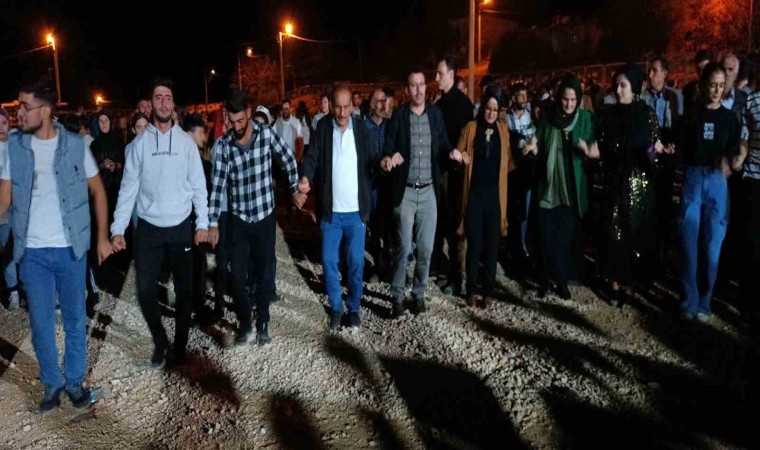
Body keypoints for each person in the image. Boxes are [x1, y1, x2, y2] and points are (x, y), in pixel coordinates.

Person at [0, 78, 113, 413]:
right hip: (32, 254)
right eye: (17, 106)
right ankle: (52, 383)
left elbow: (98, 191)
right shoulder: (13, 148)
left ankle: (75, 382)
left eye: (24, 106)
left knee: (76, 320)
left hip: (70, 251)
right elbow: (4, 199)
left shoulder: (75, 145)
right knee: (41, 324)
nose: (18, 113)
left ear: (46, 110)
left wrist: (102, 237)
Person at [110, 77, 209, 369]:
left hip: (180, 227)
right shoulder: (139, 145)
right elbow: (128, 189)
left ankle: (179, 347)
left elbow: (198, 186)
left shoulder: (186, 144)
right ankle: (160, 341)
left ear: (173, 103)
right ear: (151, 103)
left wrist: (202, 223)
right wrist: (118, 228)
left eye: (167, 97)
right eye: (158, 97)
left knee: (184, 293)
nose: (163, 103)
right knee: (144, 291)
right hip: (149, 230)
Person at [208, 89, 300, 346]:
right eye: (232, 121)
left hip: (264, 217)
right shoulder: (224, 146)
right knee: (238, 275)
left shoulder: (266, 134)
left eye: (241, 120)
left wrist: (294, 188)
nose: (237, 127)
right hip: (238, 219)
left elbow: (289, 159)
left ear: (249, 113)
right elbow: (217, 186)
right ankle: (245, 323)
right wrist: (212, 222)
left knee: (263, 273)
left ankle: (263, 323)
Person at [298, 86, 384, 330]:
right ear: (331, 105)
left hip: (356, 212)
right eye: (338, 107)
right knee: (328, 261)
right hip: (331, 212)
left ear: (353, 106)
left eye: (347, 107)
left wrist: (383, 163)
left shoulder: (361, 129)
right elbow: (312, 158)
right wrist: (306, 177)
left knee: (356, 262)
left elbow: (374, 157)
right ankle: (336, 307)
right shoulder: (324, 128)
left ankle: (354, 308)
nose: (342, 112)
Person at [597, 64, 668, 305]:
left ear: (635, 88)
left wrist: (656, 152)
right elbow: (603, 148)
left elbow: (654, 150)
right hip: (616, 182)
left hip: (640, 185)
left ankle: (631, 280)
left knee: (635, 232)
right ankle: (614, 282)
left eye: (623, 85)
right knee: (613, 231)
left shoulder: (646, 114)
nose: (618, 90)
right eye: (616, 85)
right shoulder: (609, 115)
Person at [383, 68, 451, 318]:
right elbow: (388, 147)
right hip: (406, 192)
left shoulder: (435, 115)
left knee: (426, 249)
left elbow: (443, 146)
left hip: (429, 192)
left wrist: (452, 154)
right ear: (406, 90)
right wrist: (390, 158)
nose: (419, 89)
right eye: (414, 85)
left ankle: (419, 293)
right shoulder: (400, 116)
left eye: (422, 84)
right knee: (403, 248)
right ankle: (397, 296)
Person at [676, 62, 742, 321]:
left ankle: (705, 302)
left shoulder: (729, 119)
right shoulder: (691, 115)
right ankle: (689, 301)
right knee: (689, 242)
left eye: (721, 86)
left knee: (713, 244)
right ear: (703, 85)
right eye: (712, 85)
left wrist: (733, 161)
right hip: (693, 178)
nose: (716, 91)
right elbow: (679, 146)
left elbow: (735, 149)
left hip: (717, 181)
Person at [523, 73, 598, 300]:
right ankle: (545, 278)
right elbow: (539, 147)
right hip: (549, 188)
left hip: (571, 191)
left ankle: (562, 280)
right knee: (546, 238)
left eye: (573, 100)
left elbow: (594, 152)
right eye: (565, 99)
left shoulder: (585, 119)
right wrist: (533, 150)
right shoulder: (548, 119)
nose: (569, 104)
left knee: (564, 240)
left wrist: (590, 154)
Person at [450, 86, 516, 307]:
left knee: (492, 246)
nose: (491, 113)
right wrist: (460, 157)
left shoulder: (503, 131)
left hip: (495, 197)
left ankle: (488, 291)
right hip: (474, 196)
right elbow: (457, 156)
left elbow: (509, 162)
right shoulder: (470, 128)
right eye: (488, 108)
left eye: (495, 110)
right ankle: (471, 290)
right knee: (475, 245)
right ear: (482, 107)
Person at [0, 108, 19, 310]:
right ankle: (13, 291)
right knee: (6, 248)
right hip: (3, 207)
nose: (0, 128)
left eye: (4, 123)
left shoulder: (17, 142)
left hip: (21, 205)